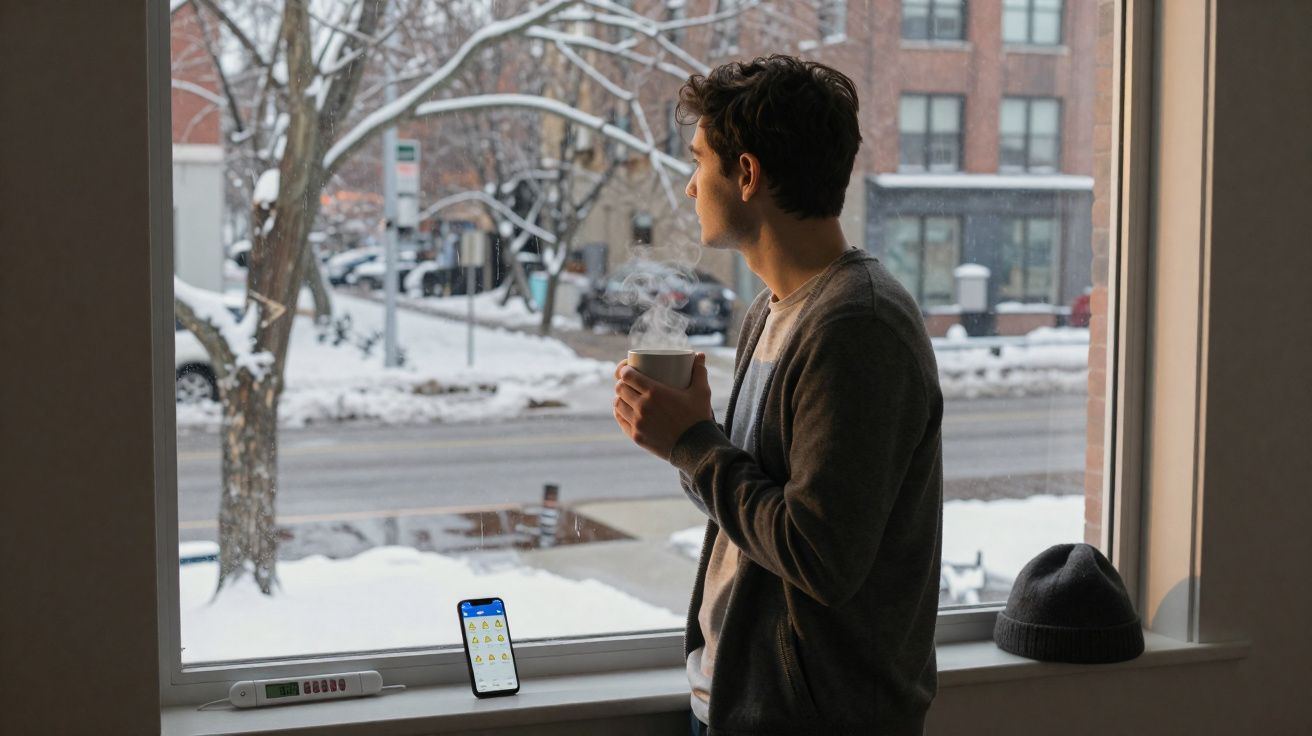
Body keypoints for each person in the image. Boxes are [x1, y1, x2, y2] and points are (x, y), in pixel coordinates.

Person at [612, 55, 943, 735]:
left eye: (700, 160)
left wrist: (695, 444)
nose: (689, 183)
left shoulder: (859, 324)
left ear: (748, 174)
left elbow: (818, 554)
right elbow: (755, 504)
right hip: (738, 703)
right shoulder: (772, 311)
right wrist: (688, 437)